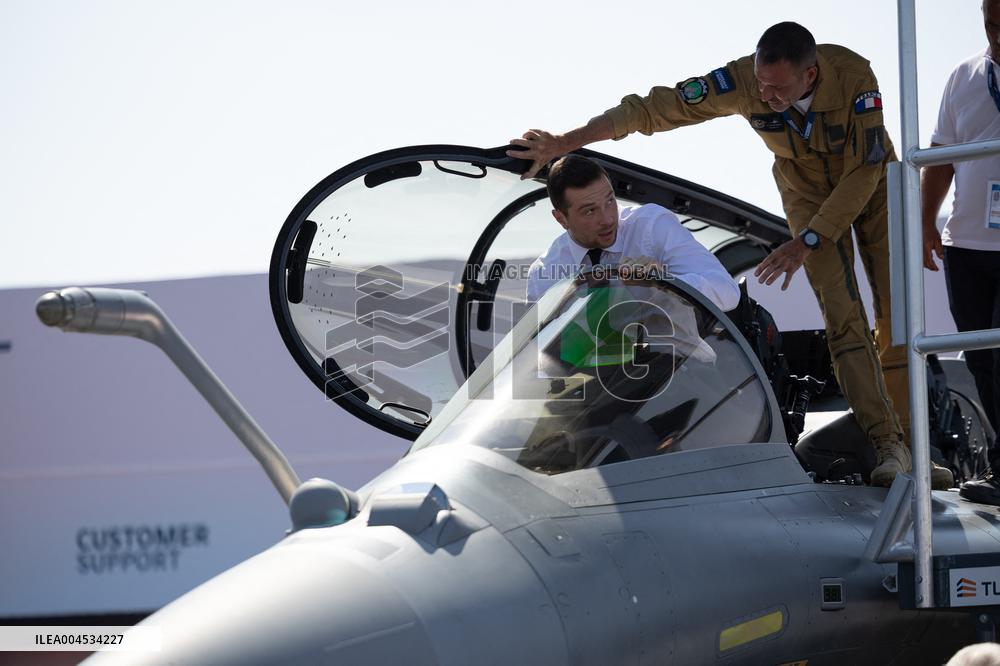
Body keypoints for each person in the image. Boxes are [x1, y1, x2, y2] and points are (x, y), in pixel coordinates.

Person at [509, 21, 954, 489]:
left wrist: (808, 240)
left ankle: (915, 447)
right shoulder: (746, 82)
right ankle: (887, 445)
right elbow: (661, 107)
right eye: (762, 87)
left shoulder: (853, 76)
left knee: (899, 318)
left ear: (811, 74)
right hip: (804, 189)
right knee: (843, 321)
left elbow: (863, 169)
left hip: (874, 188)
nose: (767, 97)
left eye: (779, 89)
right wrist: (568, 141)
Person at [922, 0, 1000, 504]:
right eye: (992, 25)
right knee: (980, 361)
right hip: (967, 243)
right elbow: (941, 155)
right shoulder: (964, 74)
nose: (999, 37)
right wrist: (927, 220)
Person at [526, 154, 739, 313]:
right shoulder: (543, 274)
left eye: (610, 201)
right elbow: (537, 352)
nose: (608, 219)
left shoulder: (653, 226)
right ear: (561, 219)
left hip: (685, 366)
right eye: (590, 211)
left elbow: (727, 293)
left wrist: (665, 283)